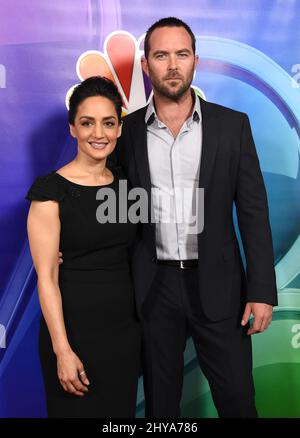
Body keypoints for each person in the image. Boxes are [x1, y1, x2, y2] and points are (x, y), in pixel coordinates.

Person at [109, 17, 278, 417]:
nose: (172, 65)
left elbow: (253, 212)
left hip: (221, 285)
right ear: (146, 65)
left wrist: (262, 290)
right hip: (154, 288)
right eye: (161, 55)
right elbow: (115, 213)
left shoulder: (231, 126)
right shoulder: (125, 132)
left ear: (195, 61)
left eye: (181, 54)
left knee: (238, 400)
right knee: (161, 407)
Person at [26, 76, 141, 418]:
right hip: (73, 334)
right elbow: (45, 279)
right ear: (72, 128)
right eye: (87, 123)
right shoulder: (50, 191)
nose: (99, 133)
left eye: (108, 123)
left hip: (124, 335)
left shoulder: (127, 186)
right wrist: (62, 350)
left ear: (120, 128)